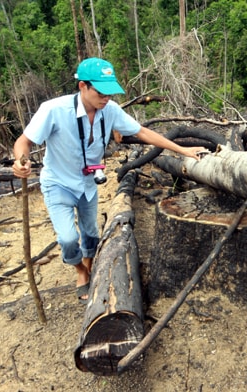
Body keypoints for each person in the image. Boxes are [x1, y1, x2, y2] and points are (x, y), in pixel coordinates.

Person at [13, 57, 207, 304]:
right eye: (101, 92)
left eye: (110, 93)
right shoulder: (54, 110)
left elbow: (143, 132)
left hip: (87, 184)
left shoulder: (110, 111)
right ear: (83, 86)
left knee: (91, 234)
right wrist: (21, 160)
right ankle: (80, 271)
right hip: (58, 183)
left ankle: (90, 264)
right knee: (68, 238)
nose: (106, 98)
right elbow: (24, 141)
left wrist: (183, 150)